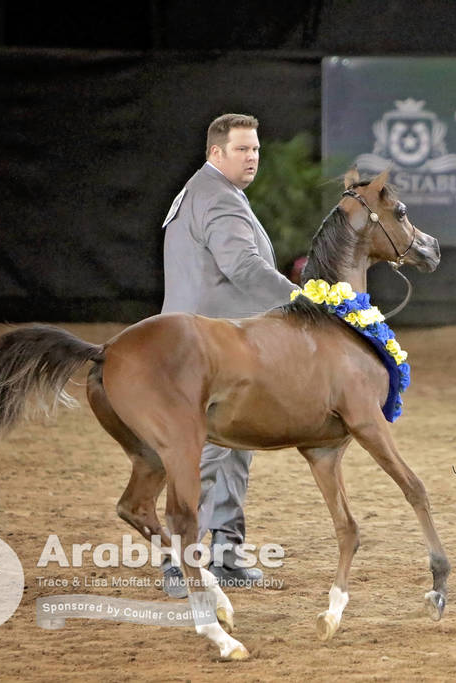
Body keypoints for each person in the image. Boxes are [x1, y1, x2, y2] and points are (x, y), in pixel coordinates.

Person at [158, 113, 298, 596]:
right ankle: (182, 563)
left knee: (231, 449)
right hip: (208, 348)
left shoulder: (202, 190)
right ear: (216, 152)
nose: (253, 157)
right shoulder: (218, 197)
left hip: (198, 342)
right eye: (242, 149)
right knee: (208, 454)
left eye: (256, 148)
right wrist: (299, 301)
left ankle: (227, 554)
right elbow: (243, 266)